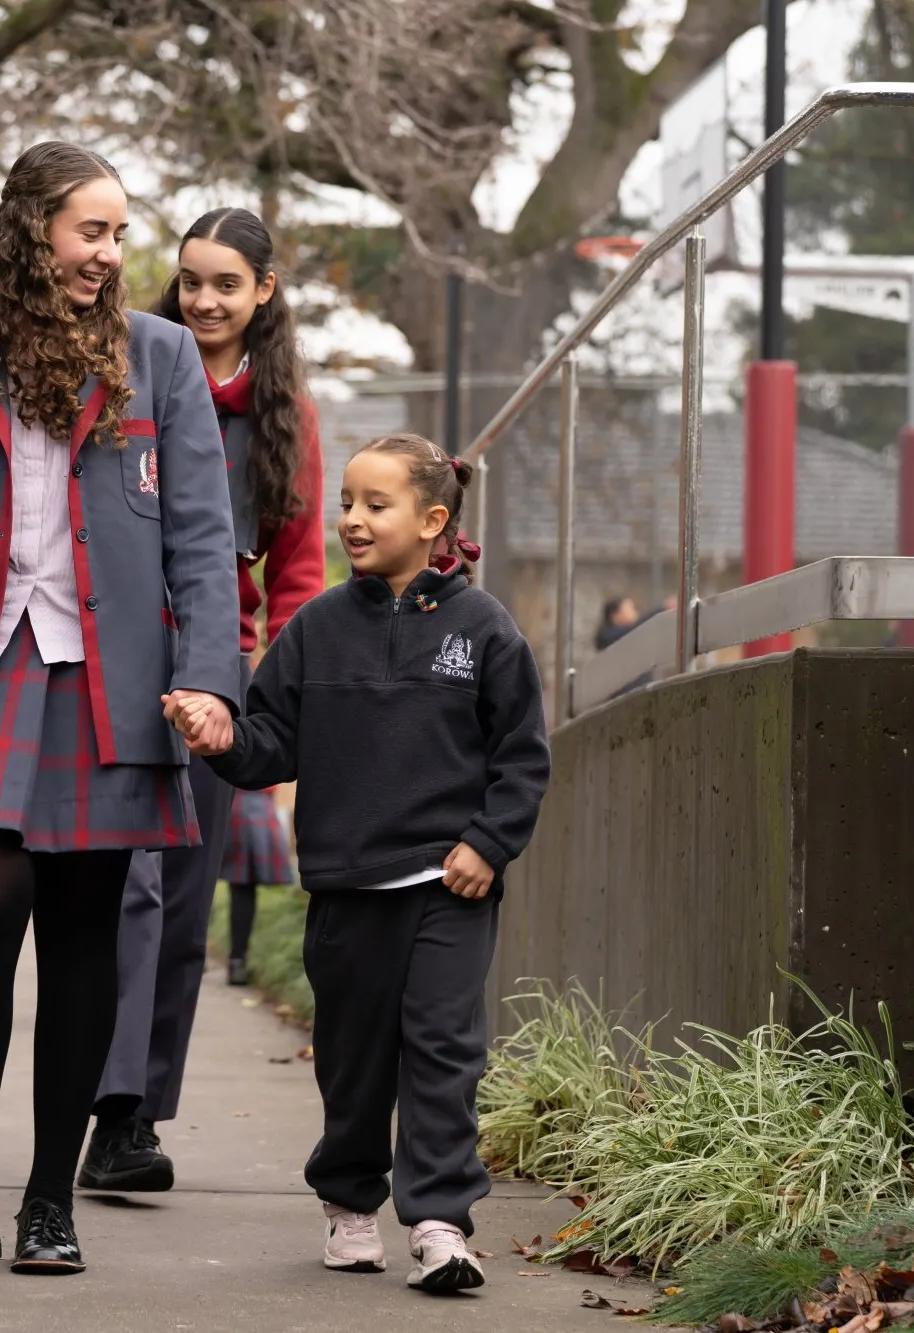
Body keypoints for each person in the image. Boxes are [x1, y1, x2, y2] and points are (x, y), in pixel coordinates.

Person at [0, 142, 239, 1280]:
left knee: (82, 931)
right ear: (31, 231)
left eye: (121, 234)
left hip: (111, 681)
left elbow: (203, 541)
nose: (111, 255)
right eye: (92, 232)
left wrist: (210, 678)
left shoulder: (160, 360)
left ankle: (45, 1203)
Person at [167, 433, 550, 1294]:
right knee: (352, 1057)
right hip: (346, 887)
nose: (352, 519)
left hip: (446, 883)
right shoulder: (314, 630)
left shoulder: (483, 628)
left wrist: (488, 844)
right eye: (346, 501)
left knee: (445, 1050)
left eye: (376, 504)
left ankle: (442, 1223)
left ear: (434, 520)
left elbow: (522, 755)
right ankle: (348, 1203)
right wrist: (224, 736)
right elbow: (271, 743)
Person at [82, 205, 326, 1193]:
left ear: (263, 291)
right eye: (189, 280)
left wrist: (272, 704)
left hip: (215, 682)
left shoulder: (285, 418)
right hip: (106, 667)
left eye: (227, 283)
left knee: (181, 913)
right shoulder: (122, 376)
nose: (205, 300)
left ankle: (132, 1119)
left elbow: (299, 573)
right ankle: (97, 1097)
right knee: (122, 894)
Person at [222, 787, 296, 986]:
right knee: (244, 888)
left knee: (238, 887)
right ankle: (237, 962)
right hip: (252, 799)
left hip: (234, 799)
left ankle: (193, 951)